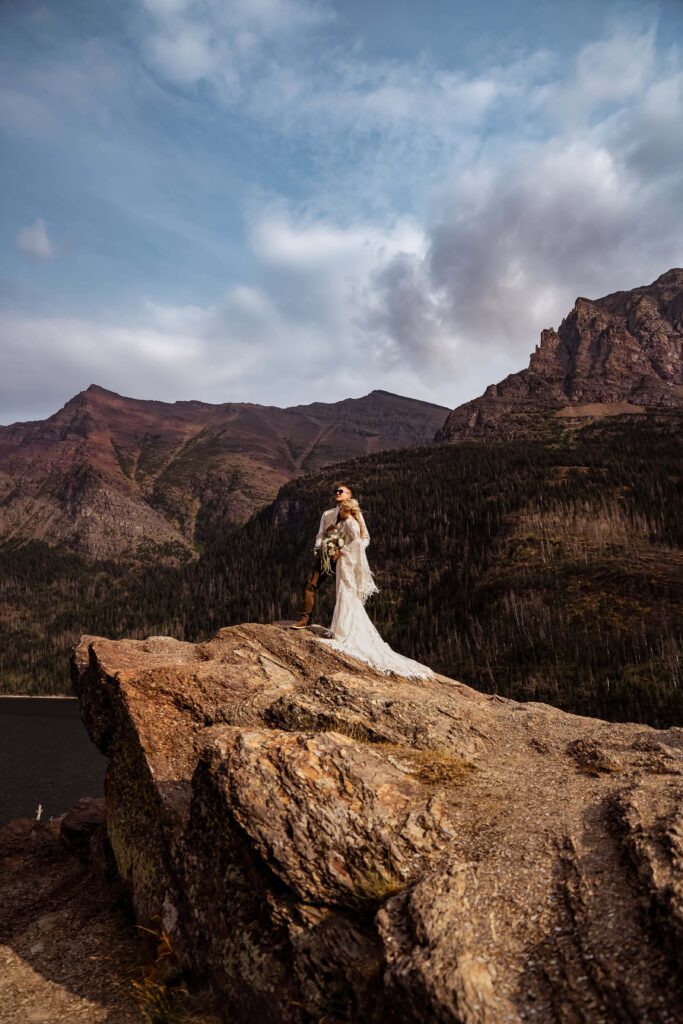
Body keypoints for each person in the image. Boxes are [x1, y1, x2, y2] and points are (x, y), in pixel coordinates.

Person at [316, 497, 434, 680]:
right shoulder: (353, 521)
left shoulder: (349, 522)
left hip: (346, 561)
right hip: (347, 561)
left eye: (340, 509)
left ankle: (344, 630)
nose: (338, 511)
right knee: (346, 591)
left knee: (346, 591)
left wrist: (340, 551)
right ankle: (342, 627)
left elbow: (356, 542)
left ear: (345, 510)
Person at [291, 482, 367, 629]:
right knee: (311, 583)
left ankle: (347, 627)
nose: (337, 493)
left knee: (345, 590)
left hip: (346, 558)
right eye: (336, 491)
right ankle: (305, 618)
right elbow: (320, 534)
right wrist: (318, 550)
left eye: (341, 491)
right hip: (326, 556)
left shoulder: (355, 515)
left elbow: (364, 538)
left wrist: (347, 553)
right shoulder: (327, 514)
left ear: (349, 495)